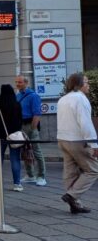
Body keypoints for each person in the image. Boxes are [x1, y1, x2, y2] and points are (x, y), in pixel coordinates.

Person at [57, 73, 97, 214]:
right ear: (78, 84)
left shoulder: (63, 99)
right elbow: (85, 123)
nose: (88, 85)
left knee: (70, 172)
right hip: (77, 140)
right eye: (86, 82)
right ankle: (72, 196)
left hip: (63, 138)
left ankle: (75, 204)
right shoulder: (80, 99)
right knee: (93, 170)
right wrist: (94, 144)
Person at [0, 84, 24, 192]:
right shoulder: (17, 105)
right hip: (14, 135)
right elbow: (20, 120)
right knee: (15, 159)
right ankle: (17, 184)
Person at [14, 76, 46, 186]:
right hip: (21, 125)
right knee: (25, 151)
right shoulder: (17, 96)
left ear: (26, 83)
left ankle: (41, 176)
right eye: (16, 82)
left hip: (30, 125)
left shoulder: (34, 96)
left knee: (36, 150)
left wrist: (33, 128)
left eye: (20, 82)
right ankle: (30, 175)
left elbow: (37, 114)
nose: (17, 84)